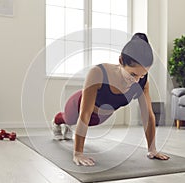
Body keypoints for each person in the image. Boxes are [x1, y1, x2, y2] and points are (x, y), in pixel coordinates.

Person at [52, 33, 170, 166]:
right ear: (120, 61)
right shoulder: (98, 72)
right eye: (132, 74)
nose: (137, 80)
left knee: (90, 121)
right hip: (77, 106)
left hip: (100, 117)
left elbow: (148, 115)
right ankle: (57, 121)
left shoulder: (142, 82)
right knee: (68, 119)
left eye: (142, 75)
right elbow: (85, 114)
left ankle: (67, 125)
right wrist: (78, 153)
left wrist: (152, 149)